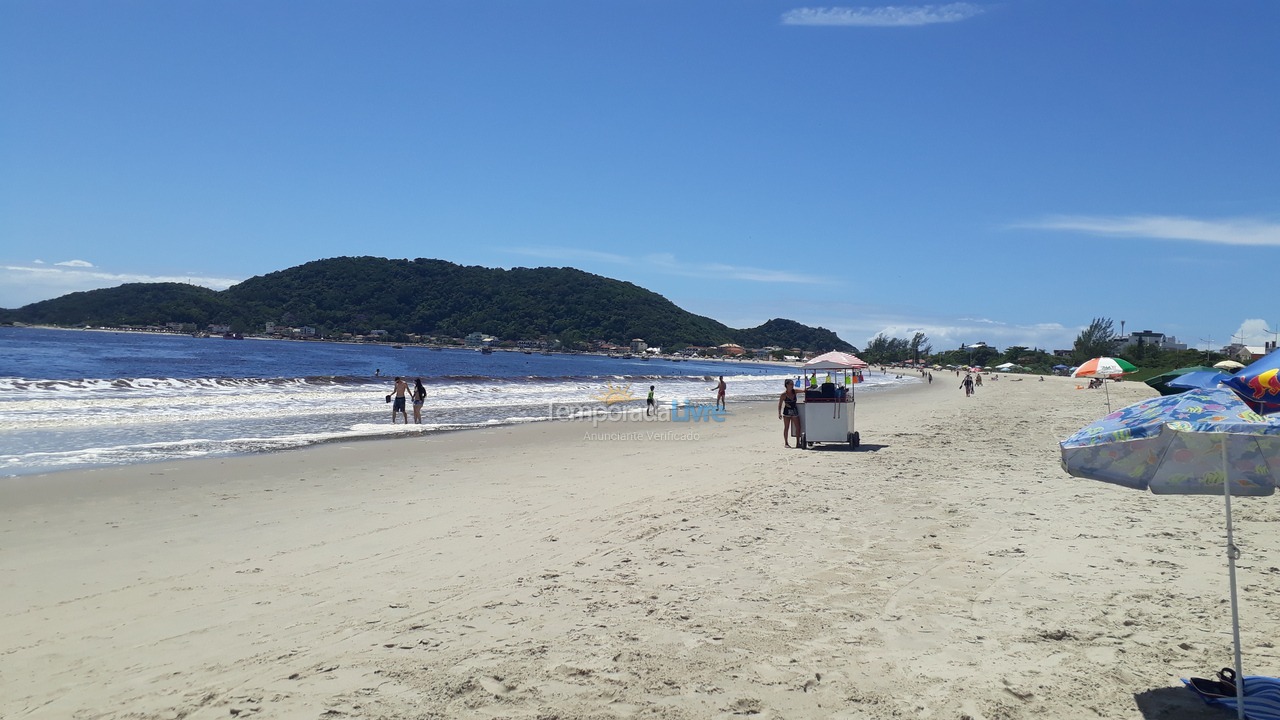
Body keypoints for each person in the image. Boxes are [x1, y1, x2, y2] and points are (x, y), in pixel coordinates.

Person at [778, 379, 802, 448]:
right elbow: (780, 404)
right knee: (786, 427)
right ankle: (786, 443)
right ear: (787, 385)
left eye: (793, 384)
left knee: (798, 427)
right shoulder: (783, 395)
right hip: (787, 412)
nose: (792, 386)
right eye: (791, 384)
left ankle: (798, 443)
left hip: (794, 410)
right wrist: (779, 413)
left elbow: (803, 391)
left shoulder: (795, 391)